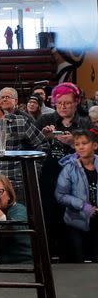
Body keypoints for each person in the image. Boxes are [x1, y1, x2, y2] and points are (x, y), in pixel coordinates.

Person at [35, 82, 91, 259]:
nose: (63, 106)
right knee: (49, 221)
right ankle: (49, 259)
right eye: (59, 103)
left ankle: (75, 261)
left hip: (76, 184)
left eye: (67, 103)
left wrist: (74, 144)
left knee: (73, 225)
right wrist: (43, 137)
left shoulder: (85, 122)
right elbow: (33, 145)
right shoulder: (45, 120)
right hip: (49, 180)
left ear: (76, 102)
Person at [55, 129, 98, 262]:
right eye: (77, 144)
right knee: (78, 263)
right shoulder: (69, 167)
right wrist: (83, 206)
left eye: (84, 143)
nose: (80, 147)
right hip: (76, 221)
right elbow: (61, 195)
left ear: (95, 145)